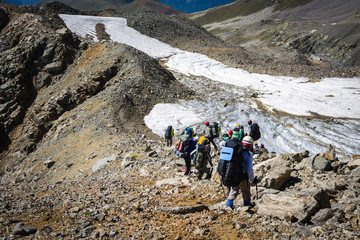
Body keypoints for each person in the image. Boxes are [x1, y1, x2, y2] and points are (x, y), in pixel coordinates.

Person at [226, 135, 258, 209]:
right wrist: (252, 179)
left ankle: (228, 205)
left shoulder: (235, 151)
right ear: (250, 144)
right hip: (243, 177)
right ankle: (247, 206)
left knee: (234, 190)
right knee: (245, 191)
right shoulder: (248, 154)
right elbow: (249, 168)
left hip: (233, 175)